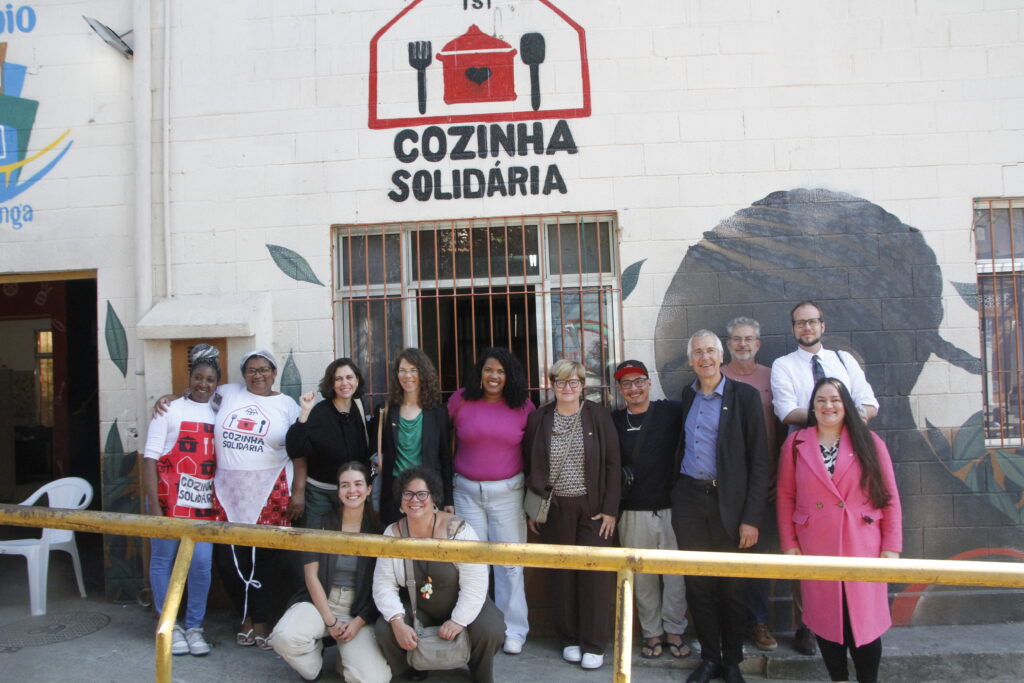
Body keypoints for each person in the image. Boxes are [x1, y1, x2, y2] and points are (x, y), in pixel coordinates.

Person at [777, 378, 902, 683]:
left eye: (834, 399)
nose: (828, 406)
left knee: (864, 623)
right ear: (812, 407)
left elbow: (890, 496)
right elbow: (785, 496)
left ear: (845, 404)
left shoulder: (869, 443)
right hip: (816, 545)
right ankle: (838, 679)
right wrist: (790, 544)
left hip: (864, 546)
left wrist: (891, 547)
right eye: (821, 400)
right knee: (827, 620)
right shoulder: (796, 444)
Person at [671, 331, 770, 683]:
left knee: (732, 587)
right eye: (698, 352)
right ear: (690, 359)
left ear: (721, 354)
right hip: (690, 502)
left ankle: (732, 662)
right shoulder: (687, 395)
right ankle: (710, 659)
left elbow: (760, 462)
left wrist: (751, 518)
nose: (705, 358)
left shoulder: (744, 396)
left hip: (731, 506)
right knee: (698, 584)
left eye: (711, 351)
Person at [523, 359, 620, 670]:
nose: (567, 388)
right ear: (552, 385)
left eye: (574, 382)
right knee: (561, 573)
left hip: (592, 510)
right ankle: (568, 639)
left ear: (583, 386)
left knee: (595, 574)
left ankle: (593, 643)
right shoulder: (540, 418)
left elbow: (613, 465)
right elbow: (531, 464)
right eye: (561, 382)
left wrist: (610, 510)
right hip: (555, 509)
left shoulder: (598, 416)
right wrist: (533, 509)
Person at [373, 467, 505, 683]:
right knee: (384, 628)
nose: (415, 500)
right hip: (419, 609)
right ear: (400, 500)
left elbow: (476, 582)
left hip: (461, 604)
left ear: (433, 498)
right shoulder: (393, 533)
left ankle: (479, 673)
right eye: (408, 494)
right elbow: (383, 585)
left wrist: (459, 620)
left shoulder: (458, 530)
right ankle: (409, 673)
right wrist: (398, 623)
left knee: (491, 628)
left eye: (422, 494)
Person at [448, 347, 535, 655]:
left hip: (508, 495)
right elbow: (442, 441)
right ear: (479, 373)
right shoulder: (460, 400)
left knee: (510, 565)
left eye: (500, 371)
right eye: (488, 370)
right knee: (472, 565)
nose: (494, 376)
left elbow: (533, 452)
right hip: (466, 493)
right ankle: (478, 629)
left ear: (509, 376)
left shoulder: (523, 406)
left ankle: (514, 630)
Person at [213, 349, 302, 650]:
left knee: (264, 561)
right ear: (243, 374)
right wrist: (171, 398)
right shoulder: (227, 393)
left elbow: (298, 449)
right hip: (228, 492)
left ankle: (260, 620)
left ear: (274, 372)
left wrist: (299, 491)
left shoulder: (287, 405)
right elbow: (197, 397)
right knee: (229, 561)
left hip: (271, 489)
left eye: (264, 369)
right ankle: (246, 615)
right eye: (251, 370)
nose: (257, 375)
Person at [269, 462, 391, 682]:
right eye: (345, 485)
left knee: (374, 679)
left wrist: (359, 621)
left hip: (358, 609)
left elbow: (383, 586)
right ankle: (314, 664)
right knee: (283, 638)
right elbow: (311, 576)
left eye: (357, 484)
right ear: (338, 490)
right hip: (322, 601)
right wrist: (330, 621)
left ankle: (345, 660)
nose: (351, 491)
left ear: (369, 489)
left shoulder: (379, 530)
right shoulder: (321, 523)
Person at [142, 343, 220, 657]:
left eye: (210, 379)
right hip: (167, 500)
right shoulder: (168, 409)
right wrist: (155, 507)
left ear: (217, 383)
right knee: (163, 561)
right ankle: (168, 625)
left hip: (203, 503)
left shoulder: (220, 408)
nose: (203, 384)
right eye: (198, 377)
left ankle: (194, 626)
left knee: (201, 565)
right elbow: (149, 460)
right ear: (189, 378)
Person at [609, 359, 690, 661]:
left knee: (675, 577)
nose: (634, 388)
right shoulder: (613, 420)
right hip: (632, 511)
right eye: (626, 383)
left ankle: (675, 631)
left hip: (671, 509)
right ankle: (652, 634)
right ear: (619, 389)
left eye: (639, 381)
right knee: (641, 580)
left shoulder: (670, 411)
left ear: (649, 383)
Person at [721, 317, 781, 652]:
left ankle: (758, 622)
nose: (743, 344)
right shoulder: (717, 376)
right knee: (727, 558)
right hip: (726, 489)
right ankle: (729, 625)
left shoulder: (773, 377)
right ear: (727, 344)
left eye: (749, 339)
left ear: (758, 344)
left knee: (759, 558)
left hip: (766, 485)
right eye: (736, 339)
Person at [286, 358, 370, 528]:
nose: (345, 383)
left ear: (357, 380)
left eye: (349, 377)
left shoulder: (358, 407)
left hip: (351, 492)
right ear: (331, 384)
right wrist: (304, 413)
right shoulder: (319, 413)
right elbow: (296, 449)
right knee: (315, 544)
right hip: (320, 494)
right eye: (338, 379)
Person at [373, 348, 452, 526]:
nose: (407, 375)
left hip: (428, 493)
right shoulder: (385, 411)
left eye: (413, 370)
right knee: (396, 545)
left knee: (427, 547)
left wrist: (448, 500)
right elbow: (376, 451)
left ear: (423, 373)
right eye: (402, 370)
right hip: (395, 492)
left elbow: (445, 459)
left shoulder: (438, 412)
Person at [771, 300, 879, 429]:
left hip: (848, 442)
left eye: (813, 321)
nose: (807, 328)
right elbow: (787, 412)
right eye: (800, 323)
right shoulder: (783, 365)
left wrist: (846, 416)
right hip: (806, 444)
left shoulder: (844, 359)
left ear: (822, 326)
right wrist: (837, 416)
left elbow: (870, 404)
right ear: (793, 329)